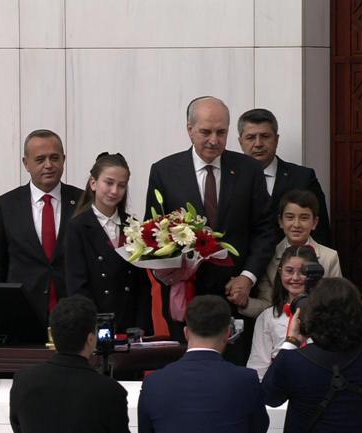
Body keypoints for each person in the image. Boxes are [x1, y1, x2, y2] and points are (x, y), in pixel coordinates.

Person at [144, 96, 276, 363]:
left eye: (221, 132)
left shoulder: (248, 170)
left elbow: (265, 229)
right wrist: (171, 274)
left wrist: (247, 277)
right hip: (185, 297)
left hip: (235, 295)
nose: (214, 139)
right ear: (190, 129)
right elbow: (152, 233)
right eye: (206, 132)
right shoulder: (164, 171)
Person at [263, 277, 362, 433]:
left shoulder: (293, 361)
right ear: (359, 312)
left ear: (311, 317)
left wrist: (292, 340)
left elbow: (269, 398)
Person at [0, 129, 83, 321]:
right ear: (26, 163)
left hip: (73, 313)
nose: (49, 165)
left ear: (64, 159)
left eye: (54, 158)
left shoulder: (83, 201)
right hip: (21, 312)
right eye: (40, 159)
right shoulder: (5, 205)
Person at [138, 295, 269, 433]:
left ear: (186, 333)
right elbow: (259, 427)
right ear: (228, 333)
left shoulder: (153, 383)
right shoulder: (246, 380)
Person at [9, 295, 129, 433]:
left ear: (52, 335)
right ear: (90, 339)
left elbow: (17, 426)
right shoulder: (110, 391)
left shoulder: (23, 381)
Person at [65, 152, 153, 334]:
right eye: (109, 183)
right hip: (95, 324)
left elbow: (142, 285)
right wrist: (96, 327)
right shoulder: (78, 226)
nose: (114, 191)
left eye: (121, 185)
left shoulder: (133, 226)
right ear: (93, 183)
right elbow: (77, 285)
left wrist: (141, 326)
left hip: (131, 324)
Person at [237, 108, 332, 246]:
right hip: (245, 265)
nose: (258, 144)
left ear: (276, 139)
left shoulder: (303, 178)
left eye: (265, 136)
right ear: (240, 142)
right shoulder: (231, 178)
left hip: (292, 263)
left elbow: (320, 231)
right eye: (250, 137)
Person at [242, 189, 341, 319]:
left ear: (315, 222)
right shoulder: (269, 256)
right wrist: (243, 302)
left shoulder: (329, 257)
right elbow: (267, 304)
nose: (296, 224)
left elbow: (337, 301)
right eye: (290, 217)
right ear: (280, 221)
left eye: (304, 218)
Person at [247, 245, 319, 380]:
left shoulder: (326, 314)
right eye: (289, 271)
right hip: (280, 387)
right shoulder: (267, 317)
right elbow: (258, 367)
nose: (296, 277)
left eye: (303, 272)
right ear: (280, 272)